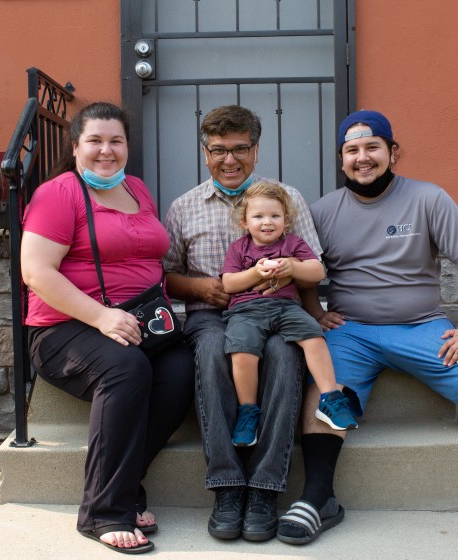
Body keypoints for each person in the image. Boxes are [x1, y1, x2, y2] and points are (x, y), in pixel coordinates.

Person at [277, 110, 458, 545]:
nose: (363, 158)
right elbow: (305, 268)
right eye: (352, 150)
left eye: (372, 147)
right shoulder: (322, 210)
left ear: (393, 153)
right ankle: (319, 496)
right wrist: (314, 311)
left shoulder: (428, 199)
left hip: (421, 326)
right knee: (325, 399)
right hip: (351, 331)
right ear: (341, 159)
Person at [21, 102, 194, 555]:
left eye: (115, 140)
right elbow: (37, 272)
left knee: (180, 371)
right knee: (126, 369)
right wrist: (101, 316)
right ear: (75, 146)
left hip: (138, 322)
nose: (106, 150)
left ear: (127, 147)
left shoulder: (136, 188)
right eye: (94, 141)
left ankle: (126, 483)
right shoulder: (59, 193)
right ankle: (104, 510)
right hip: (65, 328)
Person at [163, 105, 322, 542]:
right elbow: (165, 274)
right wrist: (199, 290)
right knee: (215, 351)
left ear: (255, 149)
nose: (229, 160)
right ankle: (228, 486)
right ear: (204, 152)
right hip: (211, 314)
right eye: (218, 151)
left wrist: (314, 314)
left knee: (282, 355)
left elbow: (314, 264)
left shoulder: (284, 199)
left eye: (239, 149)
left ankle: (266, 488)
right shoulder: (184, 207)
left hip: (277, 312)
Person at [221, 181, 358, 447]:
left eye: (275, 215)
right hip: (246, 311)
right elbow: (228, 284)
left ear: (286, 219)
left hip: (286, 308)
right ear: (244, 221)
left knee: (314, 337)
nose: (267, 222)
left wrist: (292, 268)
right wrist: (255, 273)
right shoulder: (239, 248)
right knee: (242, 352)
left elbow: (317, 272)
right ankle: (248, 410)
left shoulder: (293, 244)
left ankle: (330, 398)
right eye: (258, 216)